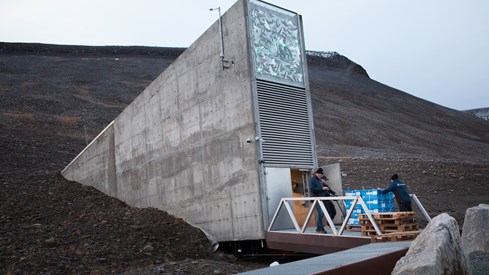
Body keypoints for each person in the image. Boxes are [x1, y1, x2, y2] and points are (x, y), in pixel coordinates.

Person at [309, 168, 334, 233]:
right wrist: (322, 188)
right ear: (317, 173)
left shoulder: (319, 180)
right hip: (316, 199)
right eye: (320, 174)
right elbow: (312, 189)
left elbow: (324, 189)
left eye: (322, 174)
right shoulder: (313, 180)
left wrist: (332, 193)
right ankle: (320, 229)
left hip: (321, 198)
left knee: (321, 214)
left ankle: (319, 228)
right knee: (320, 213)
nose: (321, 175)